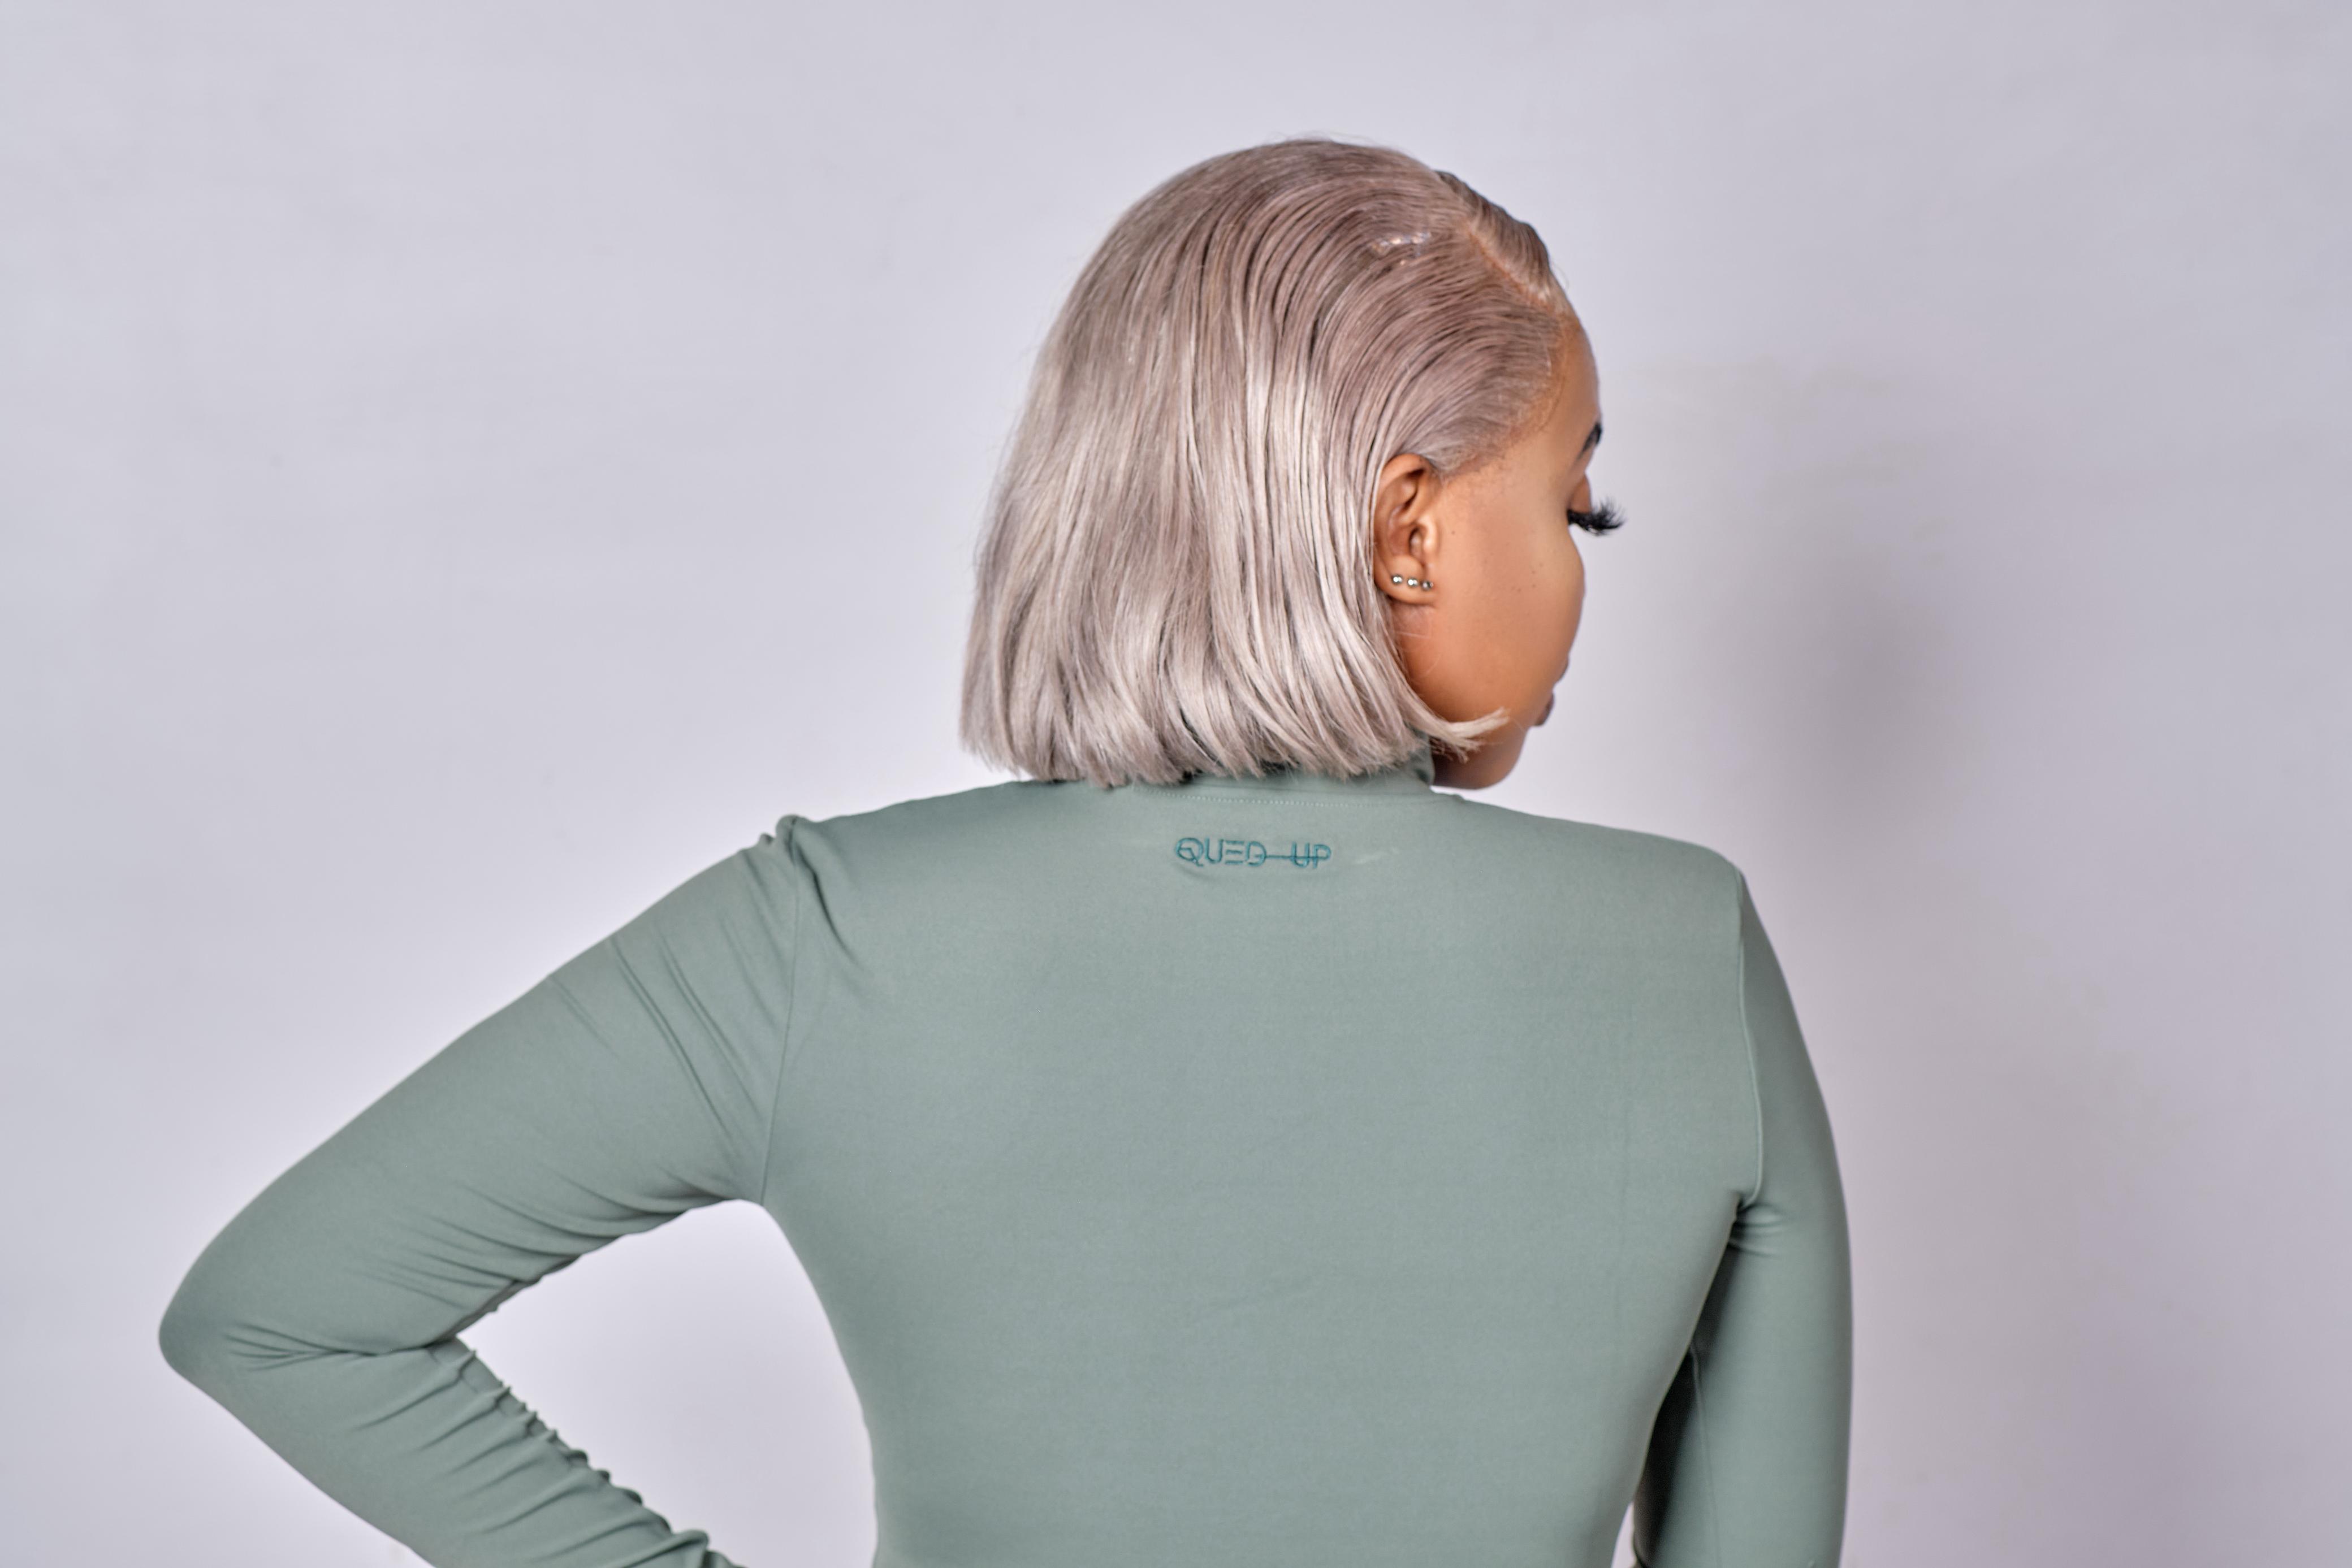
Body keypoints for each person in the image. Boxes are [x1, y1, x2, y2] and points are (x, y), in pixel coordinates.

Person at [159, 137, 1852, 1568]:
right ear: (1407, 528)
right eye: (1573, 505)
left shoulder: (826, 932)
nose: (1580, 565)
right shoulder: (1681, 949)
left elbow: (286, 1315)